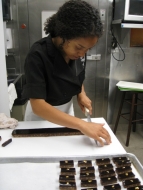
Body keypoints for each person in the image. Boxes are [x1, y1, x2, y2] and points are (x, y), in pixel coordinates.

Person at [22, 0, 111, 146]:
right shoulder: (37, 54)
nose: (82, 54)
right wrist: (82, 125)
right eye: (79, 47)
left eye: (87, 49)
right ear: (64, 36)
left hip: (67, 115)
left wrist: (81, 93)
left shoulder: (75, 53)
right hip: (41, 118)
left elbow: (75, 75)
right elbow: (37, 105)